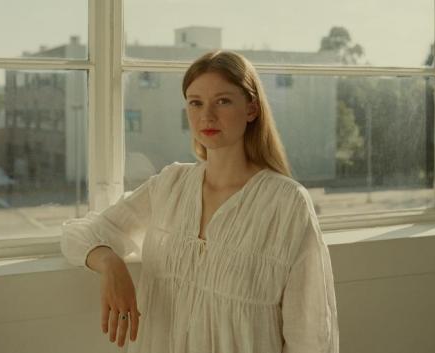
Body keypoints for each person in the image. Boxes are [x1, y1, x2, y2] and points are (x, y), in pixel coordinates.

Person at [61, 50, 339, 353]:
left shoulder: (286, 203)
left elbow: (311, 334)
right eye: (196, 103)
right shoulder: (170, 185)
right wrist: (110, 264)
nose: (207, 116)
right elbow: (77, 234)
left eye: (223, 101)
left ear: (251, 109)